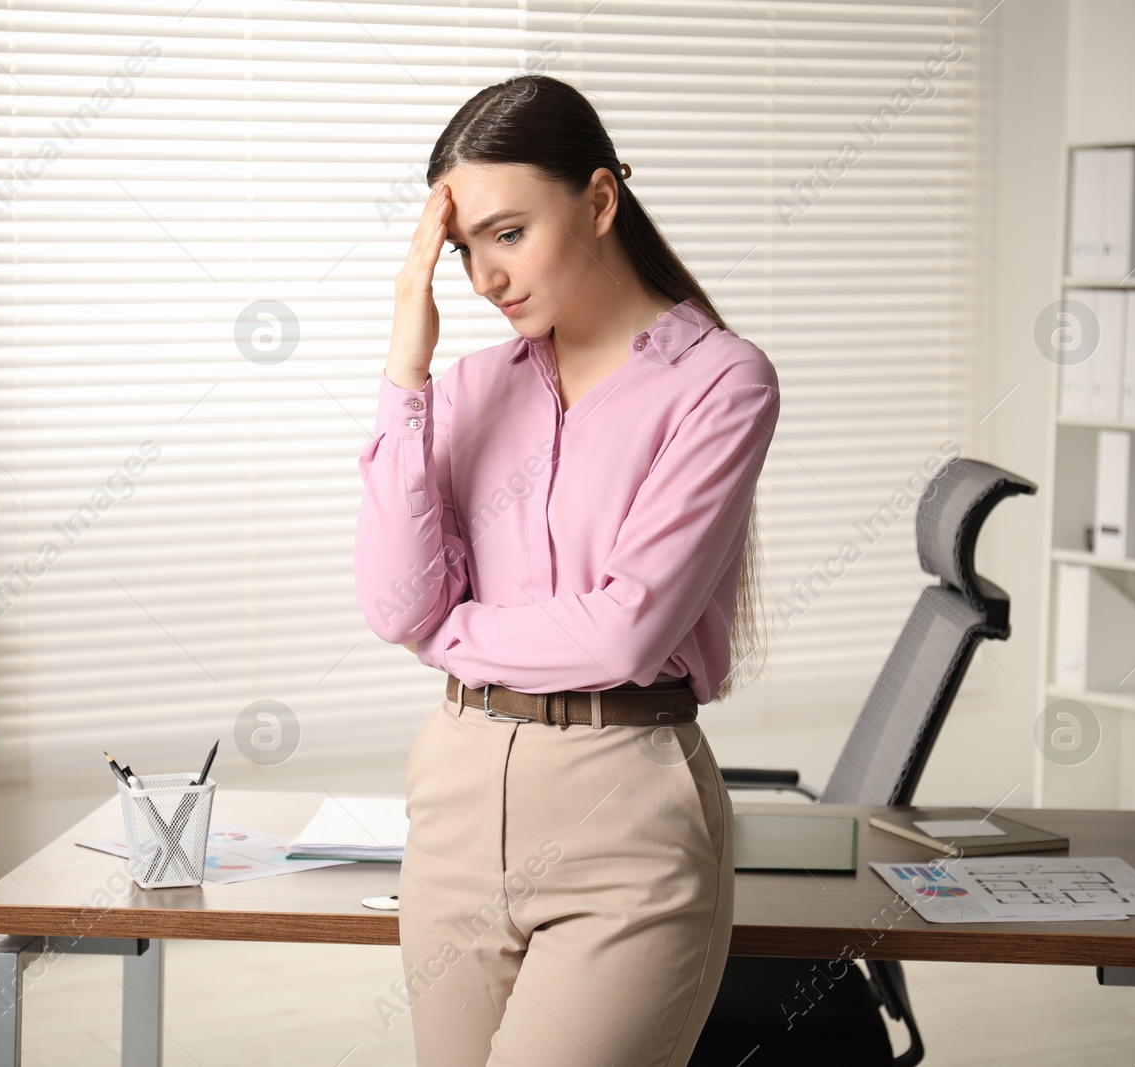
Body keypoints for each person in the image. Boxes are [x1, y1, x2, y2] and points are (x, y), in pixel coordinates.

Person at [353, 73, 780, 1067]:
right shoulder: (464, 389)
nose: (486, 279)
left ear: (597, 201)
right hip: (454, 802)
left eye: (509, 233)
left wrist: (452, 637)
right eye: (463, 252)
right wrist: (404, 377)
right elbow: (394, 602)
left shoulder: (719, 382)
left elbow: (624, 632)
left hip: (623, 812)